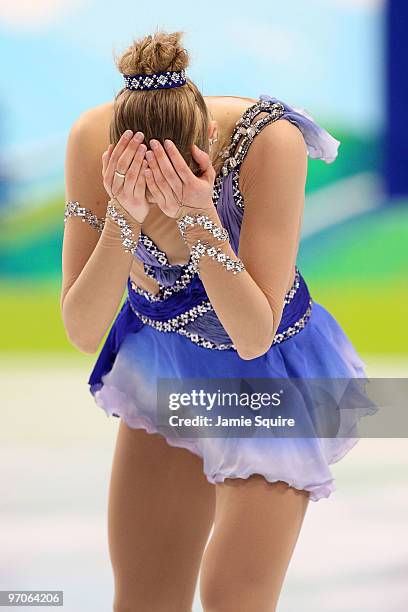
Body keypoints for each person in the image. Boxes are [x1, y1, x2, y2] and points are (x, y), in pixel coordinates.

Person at [61, 29, 376, 612]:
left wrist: (201, 216)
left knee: (234, 596)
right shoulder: (89, 141)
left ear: (206, 137)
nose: (159, 193)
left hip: (271, 378)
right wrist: (123, 221)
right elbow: (82, 331)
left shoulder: (269, 140)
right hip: (168, 368)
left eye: (172, 177)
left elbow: (253, 336)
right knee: (145, 594)